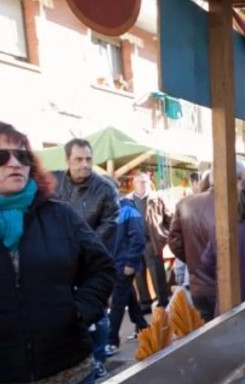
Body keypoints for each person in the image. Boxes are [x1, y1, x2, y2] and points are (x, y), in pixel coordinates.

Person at [0, 122, 114, 384]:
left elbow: (102, 267)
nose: (15, 163)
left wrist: (79, 311)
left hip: (70, 370)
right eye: (2, 156)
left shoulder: (59, 214)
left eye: (22, 156)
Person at [53, 138, 119, 377]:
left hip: (92, 260)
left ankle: (98, 359)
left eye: (89, 159)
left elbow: (110, 224)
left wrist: (82, 247)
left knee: (97, 311)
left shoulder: (105, 189)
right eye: (78, 159)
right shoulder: (54, 182)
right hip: (59, 261)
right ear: (67, 160)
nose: (85, 164)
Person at [168, 162, 244, 321]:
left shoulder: (186, 203)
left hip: (199, 286)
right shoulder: (238, 203)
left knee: (207, 334)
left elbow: (175, 242)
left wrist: (194, 262)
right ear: (237, 179)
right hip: (229, 286)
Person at [105, 197, 149, 356]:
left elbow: (138, 238)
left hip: (123, 264)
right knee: (127, 294)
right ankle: (143, 326)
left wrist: (130, 263)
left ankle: (111, 340)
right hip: (114, 263)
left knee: (118, 300)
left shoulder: (128, 210)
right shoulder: (107, 211)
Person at [128, 172, 172, 309]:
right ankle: (145, 302)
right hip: (134, 243)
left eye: (146, 182)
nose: (143, 185)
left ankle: (162, 301)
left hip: (152, 241)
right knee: (139, 274)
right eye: (140, 182)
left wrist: (164, 234)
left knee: (157, 272)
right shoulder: (127, 201)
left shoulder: (157, 199)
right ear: (134, 184)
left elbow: (169, 217)